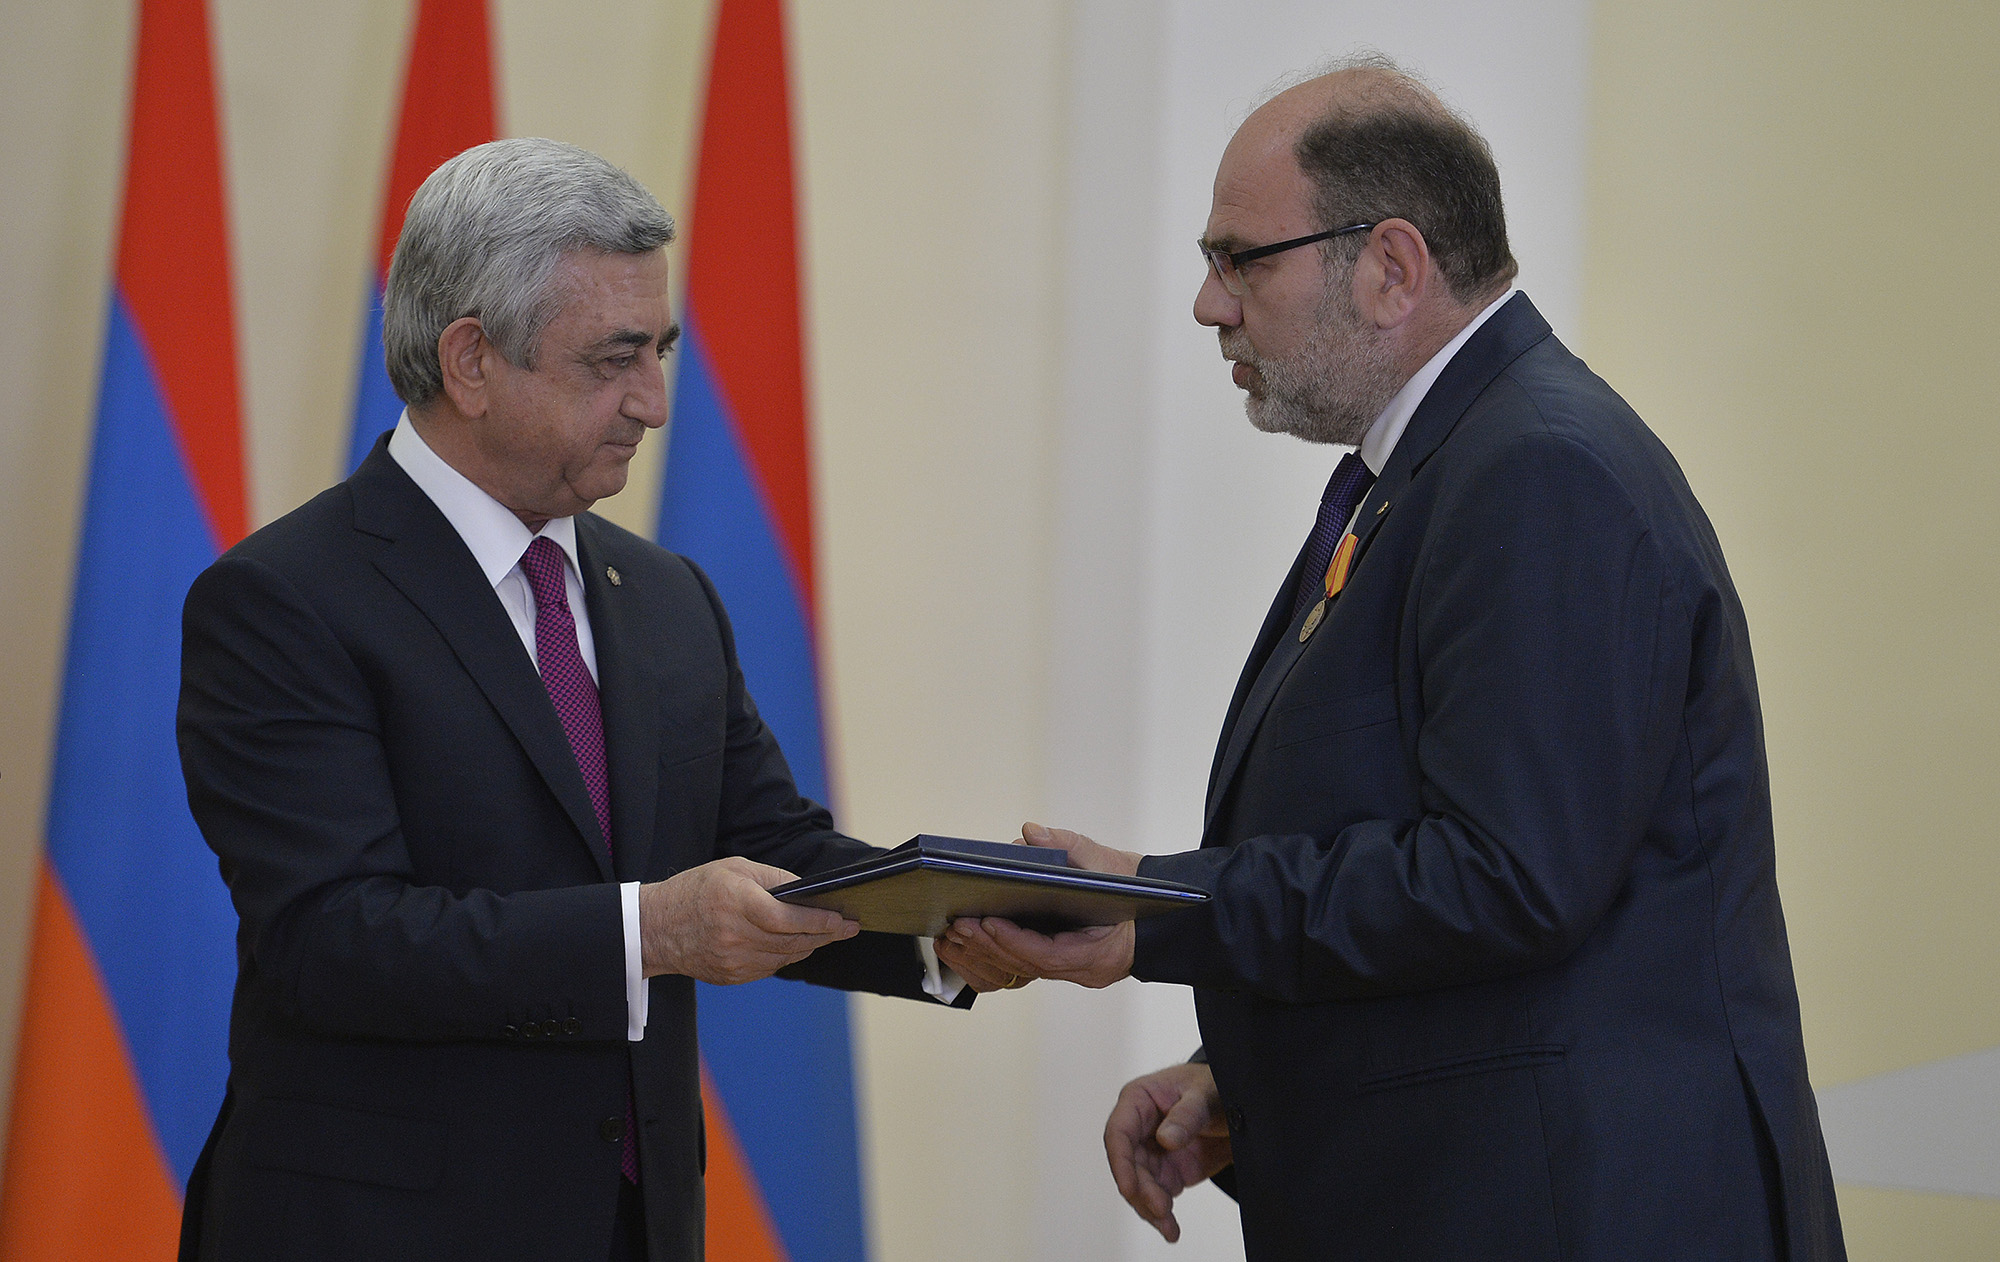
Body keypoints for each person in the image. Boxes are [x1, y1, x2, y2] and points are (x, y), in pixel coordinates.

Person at [936, 58, 1845, 1260]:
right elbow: (1425, 864)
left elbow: (1503, 878)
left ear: (1390, 267)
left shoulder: (1539, 471)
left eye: (1238, 260)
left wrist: (1154, 908)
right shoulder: (1440, 469)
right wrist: (1240, 1073)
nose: (1208, 305)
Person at [176, 138, 963, 1262]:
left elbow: (769, 846)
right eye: (614, 358)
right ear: (470, 360)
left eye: (661, 351)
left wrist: (948, 922)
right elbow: (333, 938)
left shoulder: (668, 593)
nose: (654, 401)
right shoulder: (283, 599)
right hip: (383, 1229)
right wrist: (654, 927)